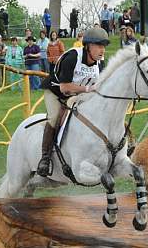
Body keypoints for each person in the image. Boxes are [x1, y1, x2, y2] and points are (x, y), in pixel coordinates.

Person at [37, 27, 109, 176]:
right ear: (88, 46)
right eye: (99, 46)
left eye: (104, 46)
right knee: (54, 117)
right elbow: (64, 88)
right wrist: (89, 89)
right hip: (56, 92)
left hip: (77, 93)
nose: (102, 50)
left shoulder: (99, 62)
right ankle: (45, 158)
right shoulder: (72, 57)